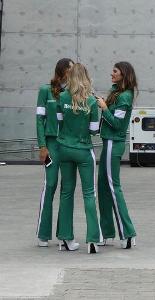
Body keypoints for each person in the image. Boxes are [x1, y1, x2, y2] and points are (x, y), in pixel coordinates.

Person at [56, 63, 102, 254]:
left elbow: (59, 121)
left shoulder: (62, 96)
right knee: (89, 194)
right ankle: (92, 239)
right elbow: (94, 131)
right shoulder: (92, 101)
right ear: (86, 77)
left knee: (66, 193)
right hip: (83, 150)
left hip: (64, 148)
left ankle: (65, 238)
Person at [96, 62, 137, 249]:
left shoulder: (125, 96)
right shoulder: (117, 93)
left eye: (115, 71)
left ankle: (128, 234)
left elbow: (118, 125)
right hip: (108, 142)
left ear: (123, 74)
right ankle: (107, 233)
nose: (111, 74)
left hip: (114, 142)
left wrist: (104, 108)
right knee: (103, 186)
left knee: (113, 187)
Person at [35, 58, 74, 247]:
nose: (73, 73)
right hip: (51, 145)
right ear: (63, 70)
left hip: (68, 145)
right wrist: (42, 145)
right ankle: (43, 233)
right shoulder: (45, 90)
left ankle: (64, 234)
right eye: (71, 69)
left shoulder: (73, 92)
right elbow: (39, 120)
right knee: (50, 184)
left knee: (68, 188)